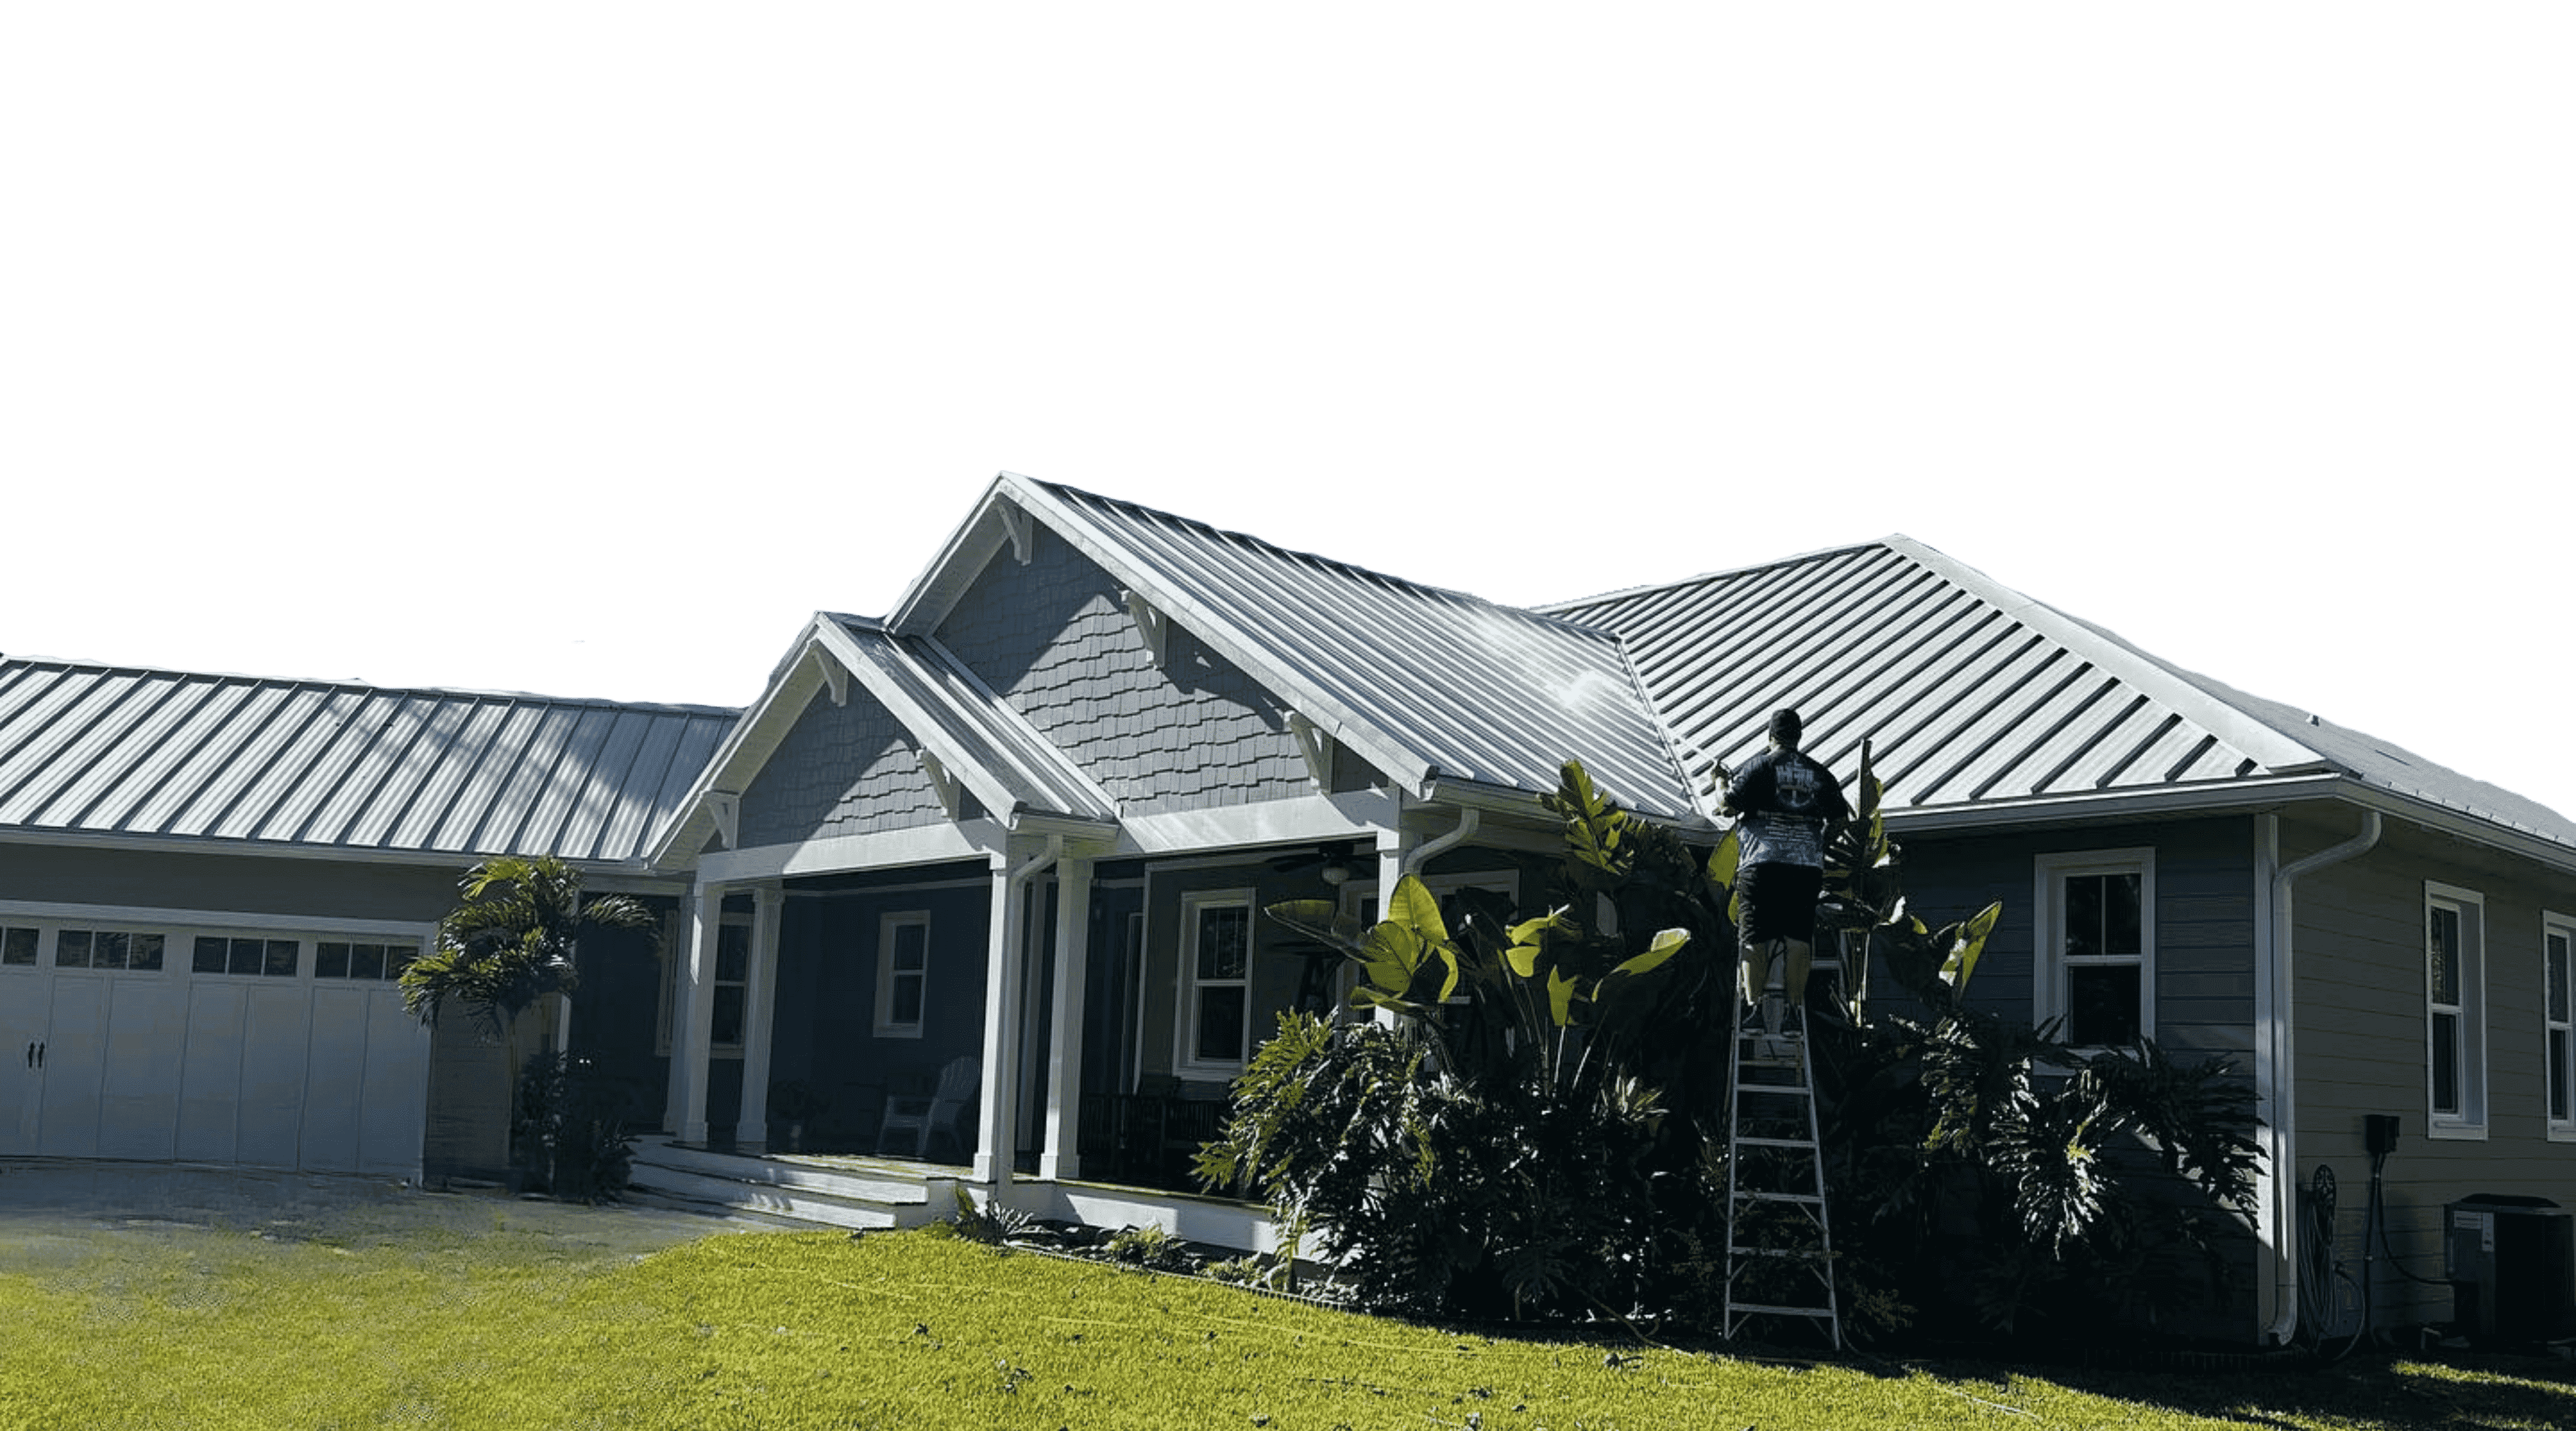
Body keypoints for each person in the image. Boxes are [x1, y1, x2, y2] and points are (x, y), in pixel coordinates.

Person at [1719, 707, 1851, 1036]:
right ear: (1799, 735)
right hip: (1804, 869)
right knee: (1798, 940)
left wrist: (1720, 783)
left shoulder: (1760, 766)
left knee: (1754, 940)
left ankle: (1756, 1012)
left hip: (1762, 865)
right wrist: (1818, 844)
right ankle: (1793, 1012)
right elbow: (1840, 818)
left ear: (1770, 735)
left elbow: (1728, 807)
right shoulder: (1819, 773)